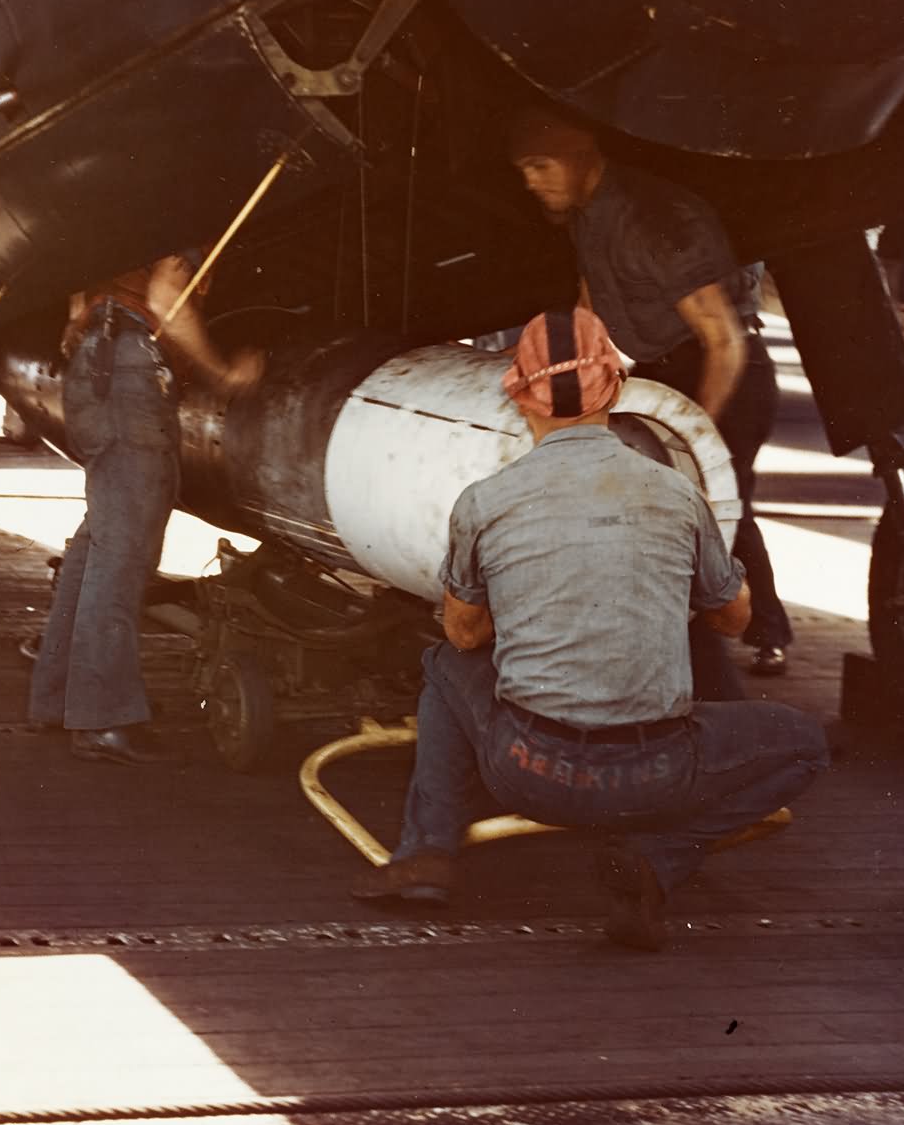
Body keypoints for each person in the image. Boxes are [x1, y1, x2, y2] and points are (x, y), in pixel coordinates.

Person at [352, 309, 829, 950]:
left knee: (442, 663)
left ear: (520, 397)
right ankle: (656, 859)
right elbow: (734, 618)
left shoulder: (485, 502)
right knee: (803, 743)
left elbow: (465, 635)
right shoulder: (676, 493)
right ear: (616, 391)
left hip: (529, 770)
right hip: (657, 774)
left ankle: (427, 852)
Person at [507, 105, 793, 679]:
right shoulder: (587, 212)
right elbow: (592, 295)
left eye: (540, 166)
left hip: (726, 376)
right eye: (523, 171)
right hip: (668, 370)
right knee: (676, 504)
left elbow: (724, 339)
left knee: (714, 504)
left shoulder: (656, 217)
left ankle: (759, 631)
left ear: (582, 158)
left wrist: (693, 439)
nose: (531, 182)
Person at [28, 250, 262, 763]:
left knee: (101, 539)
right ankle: (102, 717)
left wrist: (76, 319)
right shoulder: (192, 197)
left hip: (96, 362)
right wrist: (224, 377)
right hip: (131, 372)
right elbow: (166, 301)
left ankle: (61, 695)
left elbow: (77, 273)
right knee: (124, 550)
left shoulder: (133, 201)